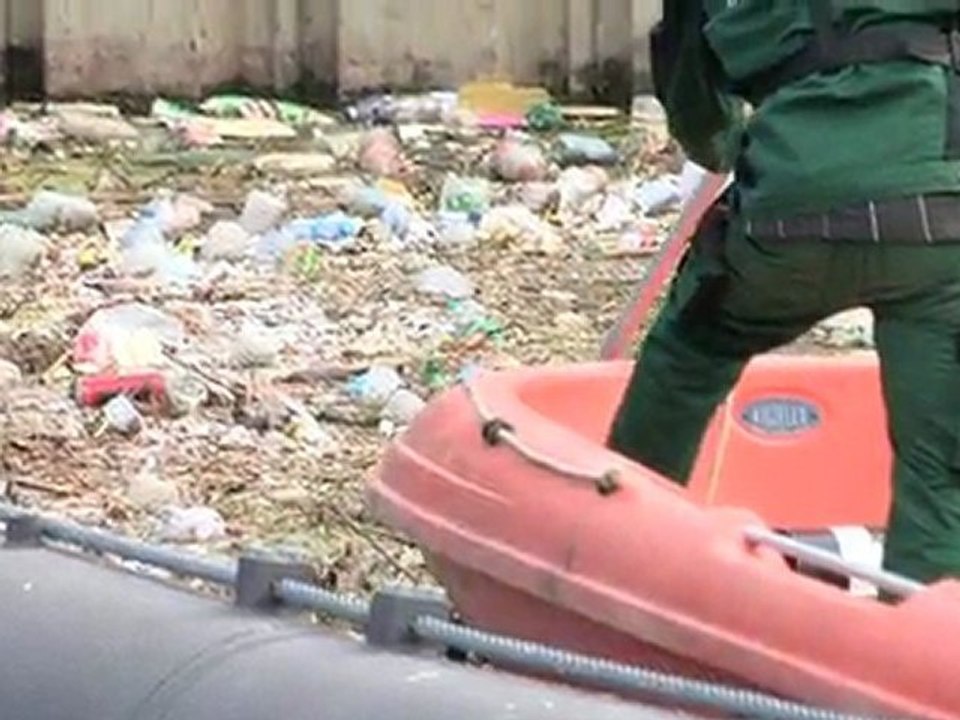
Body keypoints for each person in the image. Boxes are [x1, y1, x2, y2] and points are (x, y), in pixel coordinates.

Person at [607, 0, 960, 585]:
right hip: (936, 226)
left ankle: (619, 552)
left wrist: (750, 135)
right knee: (940, 470)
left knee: (688, 355)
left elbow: (701, 124)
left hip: (784, 221)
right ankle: (928, 626)